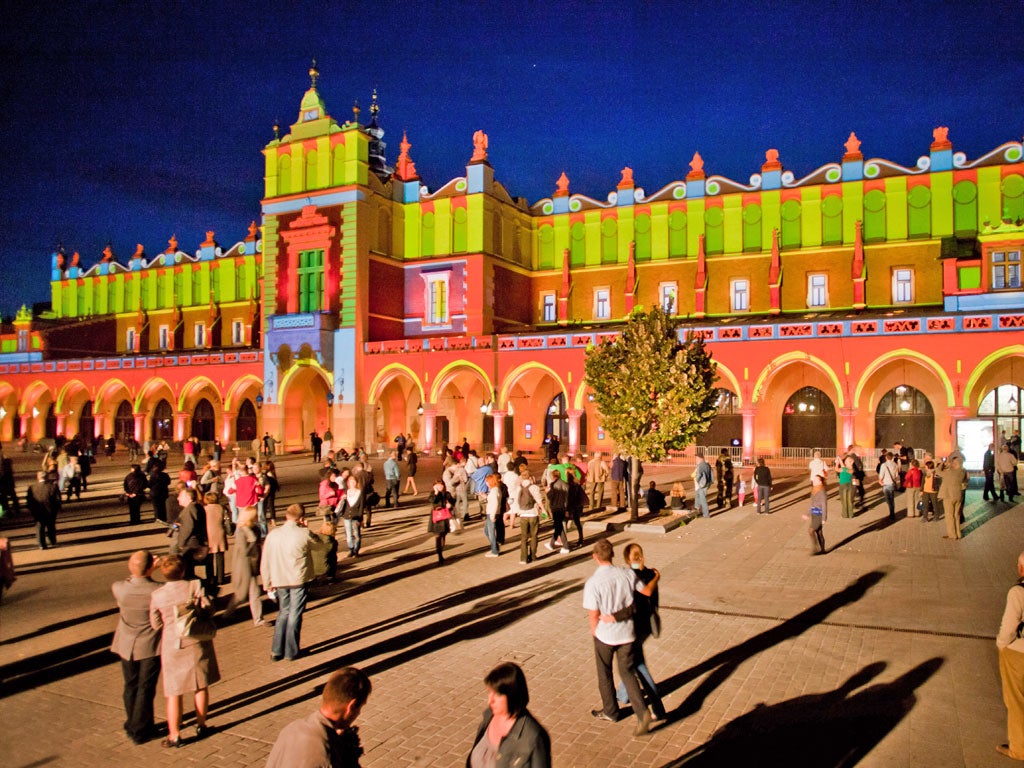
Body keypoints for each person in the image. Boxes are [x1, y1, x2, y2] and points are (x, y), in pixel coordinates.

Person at [583, 538, 655, 737]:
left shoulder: (593, 583)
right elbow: (645, 591)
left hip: (605, 634)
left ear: (595, 557)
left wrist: (594, 631)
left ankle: (611, 711)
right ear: (612, 554)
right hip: (627, 632)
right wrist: (655, 576)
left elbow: (593, 613)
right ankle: (642, 713)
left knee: (604, 674)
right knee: (627, 673)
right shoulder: (627, 574)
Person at [149, 555, 220, 748]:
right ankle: (201, 724)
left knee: (173, 691)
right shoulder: (194, 586)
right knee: (200, 685)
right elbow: (209, 609)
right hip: (196, 640)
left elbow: (155, 624)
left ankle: (174, 734)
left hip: (172, 645)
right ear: (183, 570)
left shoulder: (158, 595)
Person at [266, 666, 372, 768]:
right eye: (360, 708)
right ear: (351, 706)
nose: (358, 713)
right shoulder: (328, 754)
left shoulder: (291, 728)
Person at [111, 550, 162, 744]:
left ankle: (132, 720)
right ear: (150, 567)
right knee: (146, 687)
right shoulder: (157, 590)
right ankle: (140, 728)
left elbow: (130, 578)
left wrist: (144, 570)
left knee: (130, 684)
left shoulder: (119, 588)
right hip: (149, 644)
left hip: (126, 643)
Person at [613, 543, 666, 720]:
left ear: (628, 559)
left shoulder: (629, 576)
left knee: (639, 666)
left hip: (633, 627)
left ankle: (658, 707)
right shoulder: (652, 573)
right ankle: (623, 695)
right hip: (646, 626)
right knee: (631, 662)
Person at [468, 662, 551, 768]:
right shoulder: (488, 716)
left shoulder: (534, 737)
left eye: (497, 694)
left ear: (512, 696)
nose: (490, 701)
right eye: (489, 692)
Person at [261, 504, 314, 661]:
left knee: (283, 612)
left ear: (286, 516)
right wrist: (306, 528)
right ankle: (291, 650)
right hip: (297, 578)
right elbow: (320, 545)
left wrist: (267, 582)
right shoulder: (304, 533)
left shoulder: (273, 535)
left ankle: (276, 650)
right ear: (301, 518)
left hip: (279, 578)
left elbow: (265, 560)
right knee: (295, 613)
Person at [997, 552, 1024, 761]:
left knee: (1016, 701)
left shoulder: (1018, 592)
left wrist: (1001, 645)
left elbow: (1009, 628)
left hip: (1019, 654)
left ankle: (1019, 748)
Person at [225, 506, 264, 626]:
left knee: (253, 592)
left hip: (251, 564)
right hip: (244, 565)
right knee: (241, 594)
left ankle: (258, 619)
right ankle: (228, 613)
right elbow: (245, 549)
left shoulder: (254, 528)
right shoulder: (242, 531)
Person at [170, 487, 208, 581]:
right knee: (190, 570)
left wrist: (181, 543)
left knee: (188, 572)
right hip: (196, 542)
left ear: (188, 497)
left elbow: (188, 527)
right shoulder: (196, 506)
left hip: (190, 545)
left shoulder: (190, 509)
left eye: (181, 496)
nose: (178, 498)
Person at [516, 471, 546, 564]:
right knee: (534, 536)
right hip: (533, 514)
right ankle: (533, 556)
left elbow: (516, 501)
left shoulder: (518, 488)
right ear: (530, 478)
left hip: (523, 515)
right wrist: (543, 510)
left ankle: (523, 558)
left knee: (524, 537)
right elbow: (538, 500)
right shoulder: (534, 487)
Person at [26, 470, 60, 549]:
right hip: (50, 509)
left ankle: (41, 544)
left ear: (38, 477)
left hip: (37, 510)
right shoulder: (53, 486)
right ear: (47, 477)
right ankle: (52, 540)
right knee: (51, 525)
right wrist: (57, 508)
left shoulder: (32, 487)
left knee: (39, 527)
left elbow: (29, 500)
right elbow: (57, 499)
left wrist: (31, 509)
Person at [335, 474, 366, 558]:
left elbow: (361, 506)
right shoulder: (346, 492)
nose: (352, 483)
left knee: (357, 534)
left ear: (356, 482)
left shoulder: (360, 492)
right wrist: (343, 499)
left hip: (356, 516)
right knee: (348, 535)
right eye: (350, 482)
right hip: (346, 516)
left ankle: (356, 550)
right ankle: (351, 549)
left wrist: (360, 518)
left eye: (353, 481)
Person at [938, 454, 968, 540]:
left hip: (948, 496)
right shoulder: (963, 472)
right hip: (958, 495)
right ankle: (958, 533)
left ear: (954, 464)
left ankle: (952, 535)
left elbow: (938, 471)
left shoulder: (949, 472)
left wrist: (943, 463)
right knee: (956, 515)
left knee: (949, 515)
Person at [203, 491, 229, 586]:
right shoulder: (222, 508)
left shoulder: (204, 509)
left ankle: (210, 578)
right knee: (220, 557)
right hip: (220, 532)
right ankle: (220, 578)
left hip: (208, 534)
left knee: (209, 559)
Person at [427, 478, 454, 565]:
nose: (440, 487)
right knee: (438, 536)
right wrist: (435, 492)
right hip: (437, 518)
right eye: (437, 485)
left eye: (441, 485)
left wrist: (450, 505)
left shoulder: (447, 494)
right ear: (434, 486)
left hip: (444, 517)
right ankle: (439, 555)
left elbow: (453, 502)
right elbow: (431, 500)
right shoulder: (433, 494)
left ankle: (441, 550)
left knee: (443, 535)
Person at [806, 475, 828, 555]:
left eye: (816, 480)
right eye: (814, 480)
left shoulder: (822, 492)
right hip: (814, 514)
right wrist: (808, 514)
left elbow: (824, 505)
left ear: (820, 482)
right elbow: (812, 505)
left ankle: (815, 548)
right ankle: (823, 550)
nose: (814, 481)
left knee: (811, 530)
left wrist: (824, 518)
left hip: (819, 515)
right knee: (819, 532)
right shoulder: (814, 491)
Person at [483, 473, 502, 557]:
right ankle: (495, 547)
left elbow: (495, 503)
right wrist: (486, 497)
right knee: (486, 531)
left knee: (490, 532)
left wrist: (492, 515)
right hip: (491, 512)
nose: (486, 483)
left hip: (492, 513)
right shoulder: (495, 490)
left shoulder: (494, 490)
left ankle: (494, 551)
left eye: (487, 482)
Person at [565, 473, 586, 550]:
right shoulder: (577, 485)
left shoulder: (569, 486)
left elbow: (568, 499)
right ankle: (581, 538)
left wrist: (566, 509)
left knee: (565, 523)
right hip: (577, 506)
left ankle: (563, 540)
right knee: (577, 523)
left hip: (571, 507)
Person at [877, 451, 900, 521]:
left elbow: (881, 475)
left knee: (888, 500)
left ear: (886, 457)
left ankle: (892, 514)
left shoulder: (884, 465)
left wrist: (880, 480)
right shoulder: (895, 465)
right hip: (892, 484)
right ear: (892, 457)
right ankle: (892, 513)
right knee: (891, 500)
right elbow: (896, 475)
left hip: (885, 484)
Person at [692, 452, 712, 517]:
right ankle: (696, 507)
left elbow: (698, 475)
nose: (696, 460)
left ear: (700, 458)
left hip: (702, 484)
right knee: (697, 493)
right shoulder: (707, 464)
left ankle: (706, 514)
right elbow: (711, 473)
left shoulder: (700, 465)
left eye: (697, 458)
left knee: (703, 499)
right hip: (707, 483)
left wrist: (698, 481)